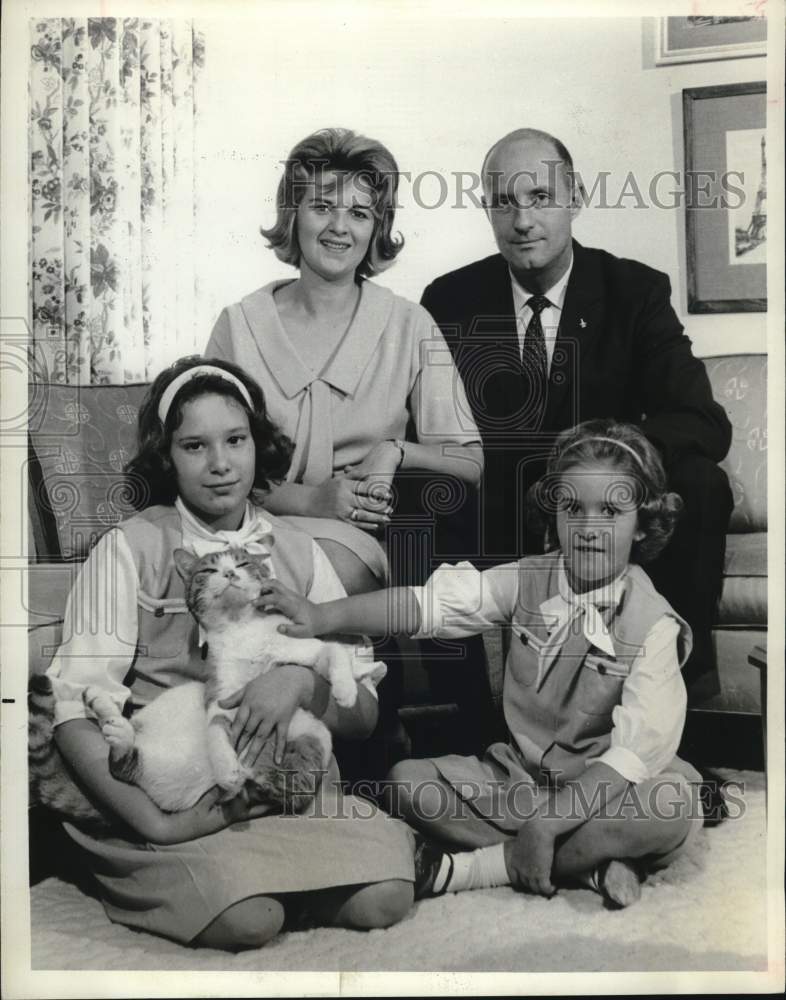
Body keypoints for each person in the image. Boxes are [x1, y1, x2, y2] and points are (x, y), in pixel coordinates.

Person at [46, 357, 416, 951]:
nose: (220, 464)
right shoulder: (131, 547)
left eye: (235, 441)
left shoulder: (297, 550)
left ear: (255, 444)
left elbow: (363, 711)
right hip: (181, 796)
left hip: (286, 793)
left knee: (389, 895)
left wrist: (298, 683)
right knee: (251, 919)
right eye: (195, 446)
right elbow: (70, 714)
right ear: (168, 458)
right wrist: (157, 825)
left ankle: (272, 872)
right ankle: (212, 875)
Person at [259, 420, 705, 909]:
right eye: (572, 507)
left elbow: (632, 759)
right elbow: (423, 606)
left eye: (612, 511)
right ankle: (592, 862)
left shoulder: (653, 624)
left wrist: (547, 823)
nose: (588, 528)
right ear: (552, 511)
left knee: (671, 807)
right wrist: (323, 614)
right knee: (406, 785)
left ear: (642, 523)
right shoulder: (526, 579)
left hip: (610, 792)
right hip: (524, 782)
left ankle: (485, 866)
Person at [420, 128, 732, 703]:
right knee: (425, 493)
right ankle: (458, 720)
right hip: (500, 506)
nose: (522, 221)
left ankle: (686, 698)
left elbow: (703, 421)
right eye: (504, 202)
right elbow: (429, 431)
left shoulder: (633, 291)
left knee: (700, 484)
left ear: (576, 197)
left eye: (540, 197)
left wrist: (604, 459)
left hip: (605, 509)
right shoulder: (450, 299)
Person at [205, 127, 483, 597]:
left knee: (287, 585)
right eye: (321, 207)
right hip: (243, 522)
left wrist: (393, 452)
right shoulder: (238, 325)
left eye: (358, 213)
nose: (339, 227)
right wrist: (311, 499)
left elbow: (470, 462)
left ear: (377, 228)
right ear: (292, 216)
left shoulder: (408, 324)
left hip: (354, 541)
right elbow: (212, 464)